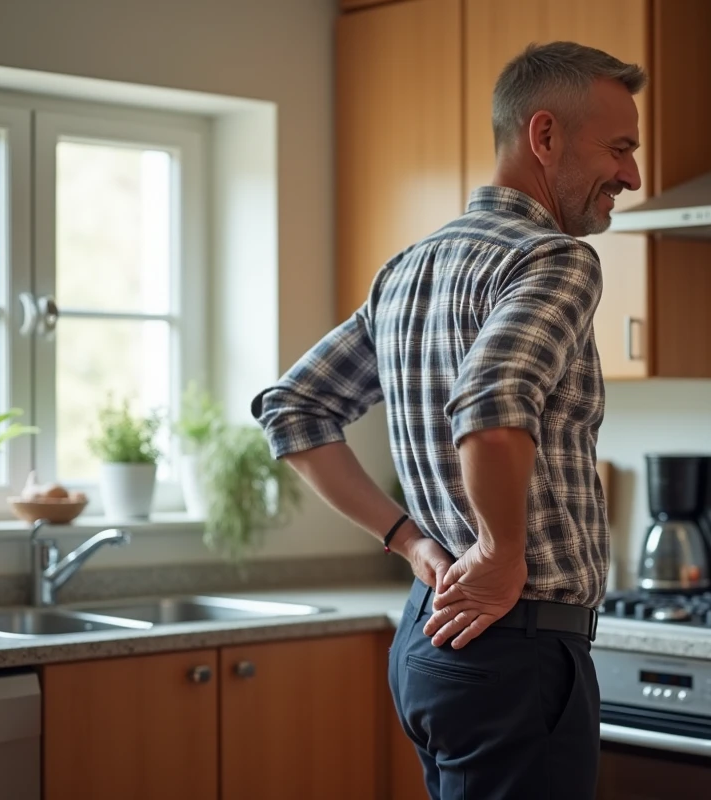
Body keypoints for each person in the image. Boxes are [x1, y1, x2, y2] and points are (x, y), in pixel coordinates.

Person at [251, 40, 645, 800]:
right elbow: (491, 404)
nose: (631, 174)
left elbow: (293, 409)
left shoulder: (410, 266)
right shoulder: (553, 259)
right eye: (620, 147)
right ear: (544, 136)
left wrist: (409, 542)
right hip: (516, 648)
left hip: (431, 643)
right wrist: (498, 553)